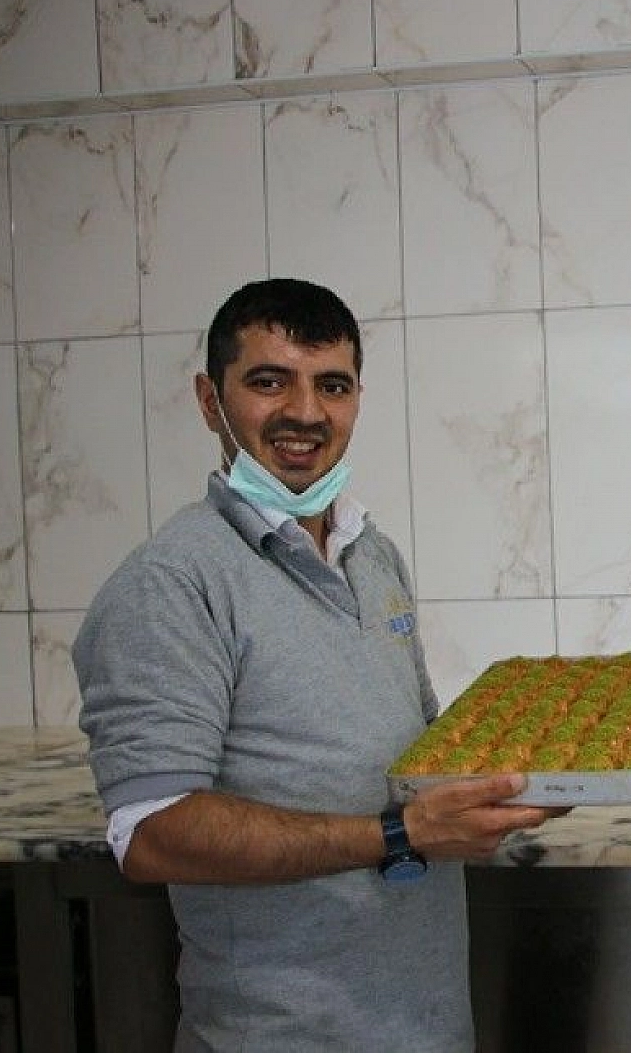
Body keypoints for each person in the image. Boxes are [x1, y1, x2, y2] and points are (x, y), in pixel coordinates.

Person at [74, 278, 563, 1051]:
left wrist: (525, 777)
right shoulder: (170, 583)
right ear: (210, 401)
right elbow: (152, 833)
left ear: (356, 399)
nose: (305, 413)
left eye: (330, 385)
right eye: (269, 382)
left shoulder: (371, 555)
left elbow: (416, 763)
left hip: (426, 1026)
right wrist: (397, 835)